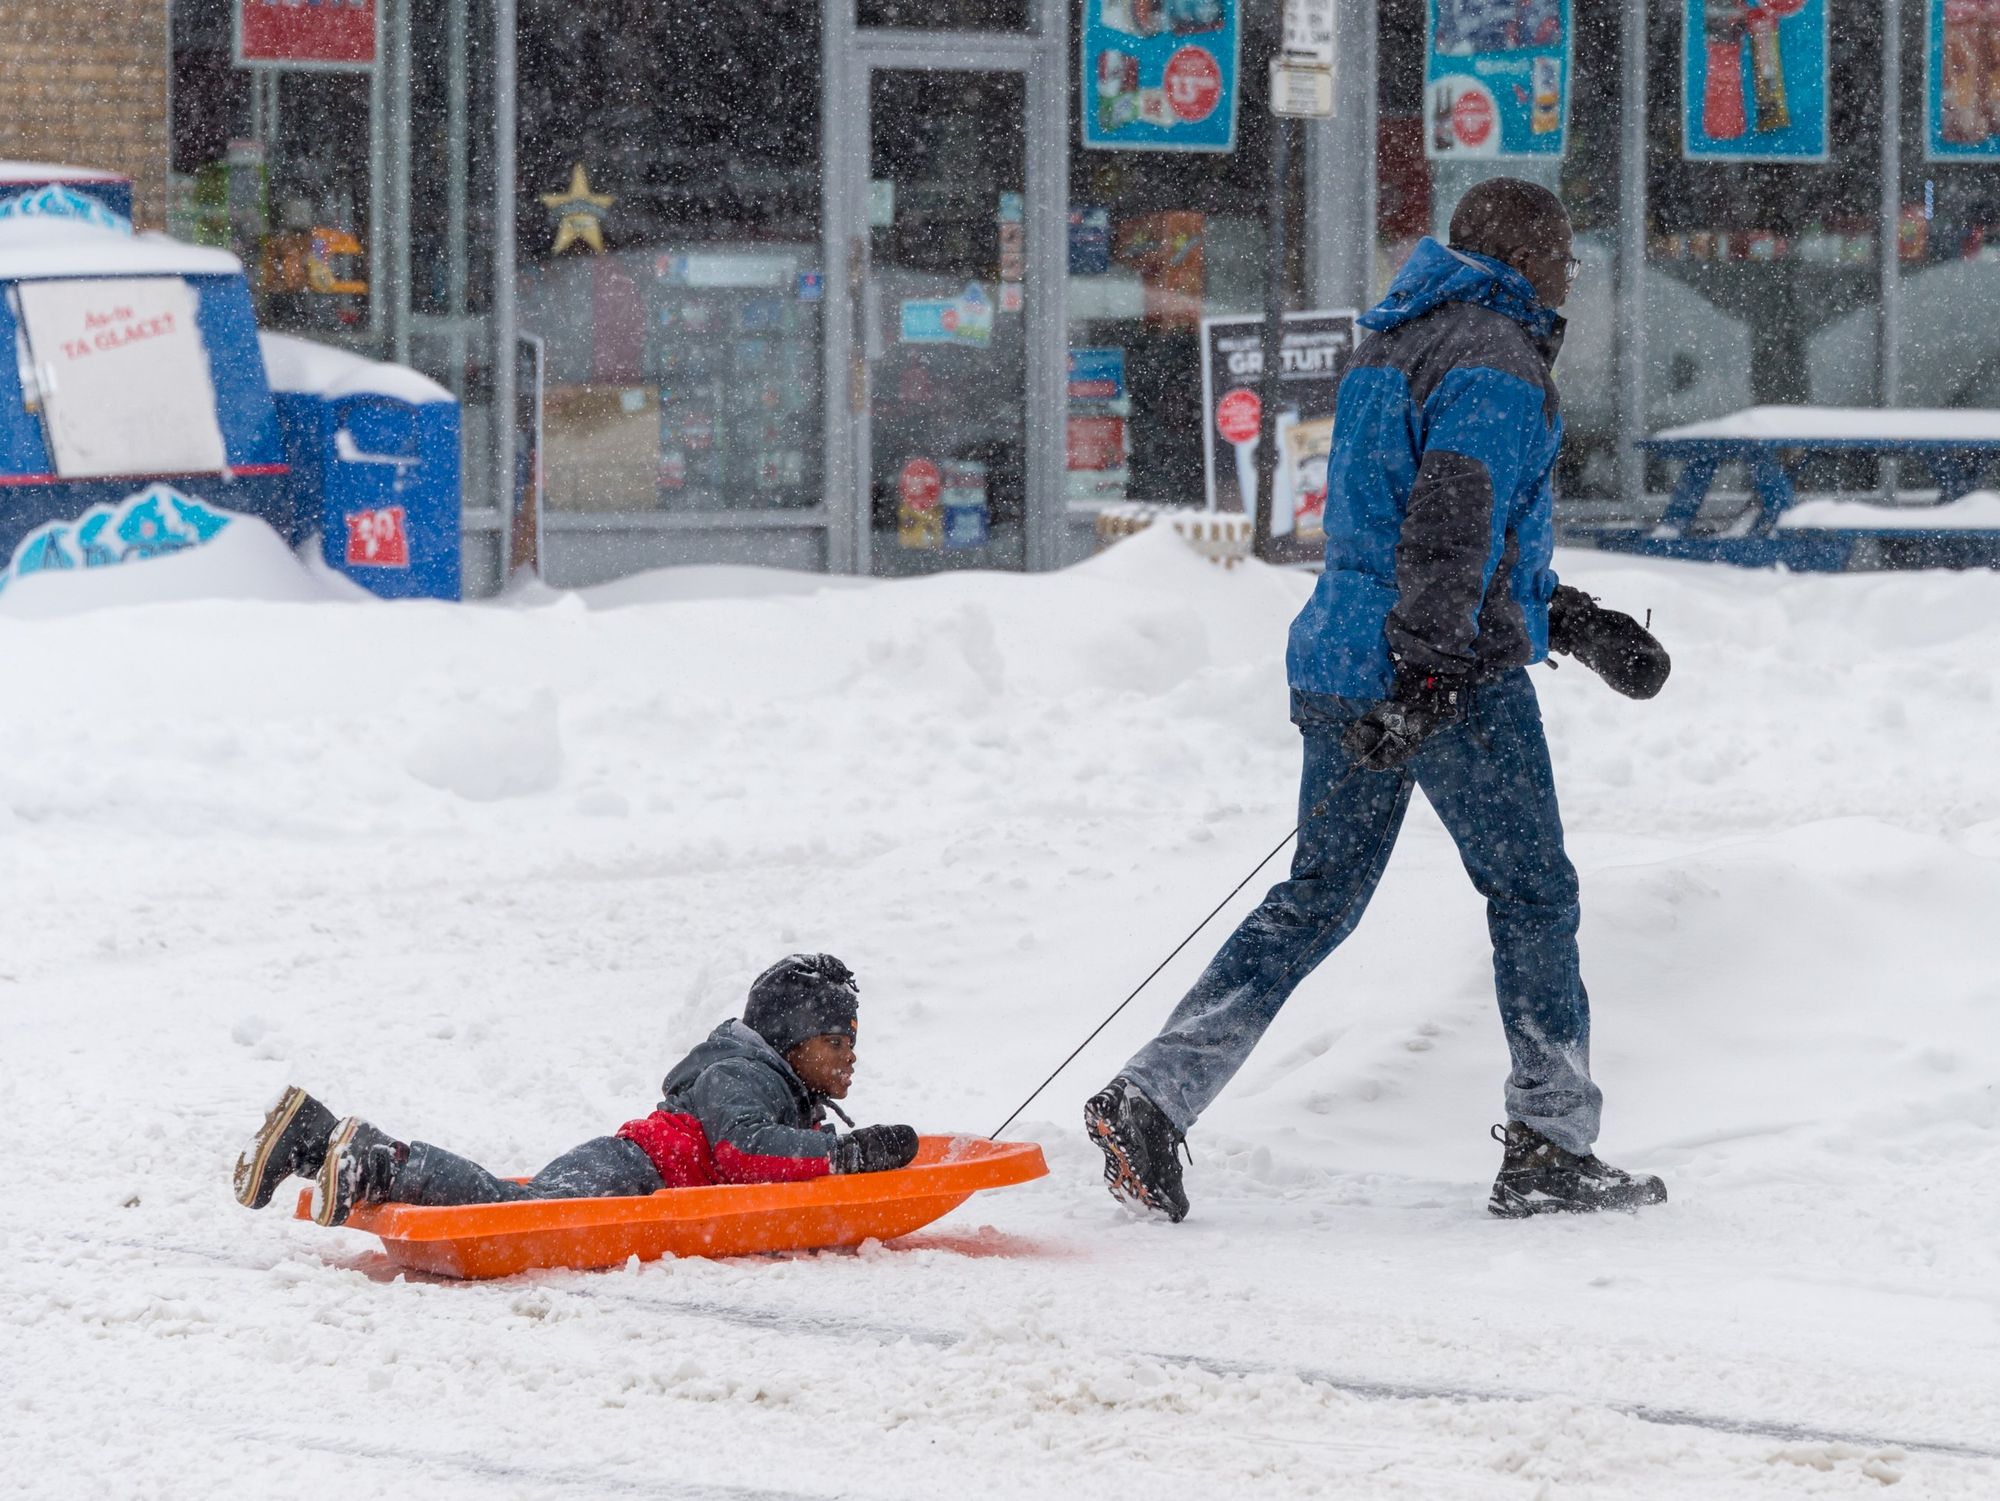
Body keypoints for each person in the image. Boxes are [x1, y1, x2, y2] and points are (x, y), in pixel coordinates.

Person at [1085, 179, 1673, 1223]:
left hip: (1342, 660)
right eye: (1562, 256)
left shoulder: (1393, 343)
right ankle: (1547, 1140)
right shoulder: (1495, 359)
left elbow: (1418, 531)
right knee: (1532, 894)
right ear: (1524, 254)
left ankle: (1152, 1093)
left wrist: (1574, 625)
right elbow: (1450, 526)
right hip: (1441, 676)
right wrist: (1436, 673)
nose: (1565, 275)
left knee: (1314, 898)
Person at [233, 952, 921, 1228]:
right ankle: (373, 1161)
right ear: (792, 1042)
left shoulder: (771, 1083)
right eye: (836, 1041)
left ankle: (309, 1137)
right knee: (522, 1211)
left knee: (521, 1203)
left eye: (853, 1042)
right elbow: (747, 1152)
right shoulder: (739, 1074)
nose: (849, 1057)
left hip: (636, 1173)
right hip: (633, 1169)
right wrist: (843, 1156)